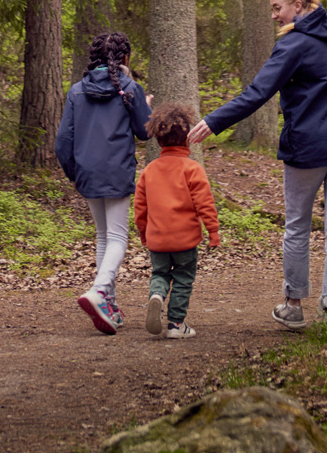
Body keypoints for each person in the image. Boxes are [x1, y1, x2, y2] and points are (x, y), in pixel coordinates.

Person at [187, 0, 327, 329]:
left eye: (277, 8)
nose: (273, 15)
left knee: (298, 226)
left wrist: (214, 121)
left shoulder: (294, 43)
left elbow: (258, 93)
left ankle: (294, 306)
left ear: (298, 5)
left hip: (309, 149)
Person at [55, 32, 153, 335]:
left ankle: (108, 304)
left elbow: (62, 142)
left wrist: (76, 174)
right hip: (117, 172)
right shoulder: (129, 88)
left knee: (102, 237)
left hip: (87, 173)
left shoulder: (76, 91)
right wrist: (145, 104)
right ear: (125, 59)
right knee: (117, 237)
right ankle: (99, 291)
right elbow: (145, 131)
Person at [135, 103, 220, 339]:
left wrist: (144, 233)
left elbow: (140, 208)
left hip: (158, 240)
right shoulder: (192, 169)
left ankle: (157, 295)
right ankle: (175, 324)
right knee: (183, 277)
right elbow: (205, 204)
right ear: (187, 140)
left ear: (159, 141)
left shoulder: (149, 171)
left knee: (160, 273)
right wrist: (213, 232)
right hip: (185, 240)